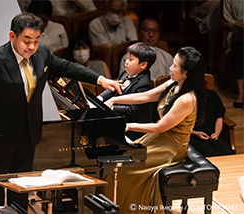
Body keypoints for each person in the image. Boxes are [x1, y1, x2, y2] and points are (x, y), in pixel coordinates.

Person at [0, 13, 122, 211]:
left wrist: (99, 80)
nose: (31, 46)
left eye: (36, 40)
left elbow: (68, 67)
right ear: (12, 36)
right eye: (27, 41)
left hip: (28, 133)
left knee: (21, 185)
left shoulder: (42, 54)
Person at [99, 47, 205, 213]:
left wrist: (128, 126)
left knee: (125, 170)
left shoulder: (187, 99)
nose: (170, 68)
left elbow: (160, 127)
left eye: (175, 66)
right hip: (159, 139)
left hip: (171, 147)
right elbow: (146, 96)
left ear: (186, 74)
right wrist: (114, 99)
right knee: (115, 164)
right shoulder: (173, 84)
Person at [97, 42, 156, 140]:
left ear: (143, 65)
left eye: (131, 59)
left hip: (135, 131)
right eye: (127, 58)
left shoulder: (144, 84)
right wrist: (100, 98)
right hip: (120, 120)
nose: (126, 62)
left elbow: (132, 110)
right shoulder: (125, 73)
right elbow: (114, 88)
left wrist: (111, 107)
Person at [190, 88, 234, 157]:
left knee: (227, 153)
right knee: (208, 154)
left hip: (212, 135)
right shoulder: (185, 98)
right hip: (192, 135)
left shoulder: (212, 95)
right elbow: (179, 126)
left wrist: (216, 134)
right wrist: (196, 133)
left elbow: (219, 116)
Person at [223, 0, 243, 108]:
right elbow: (226, 18)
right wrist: (237, 23)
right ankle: (241, 94)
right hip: (238, 33)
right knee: (239, 56)